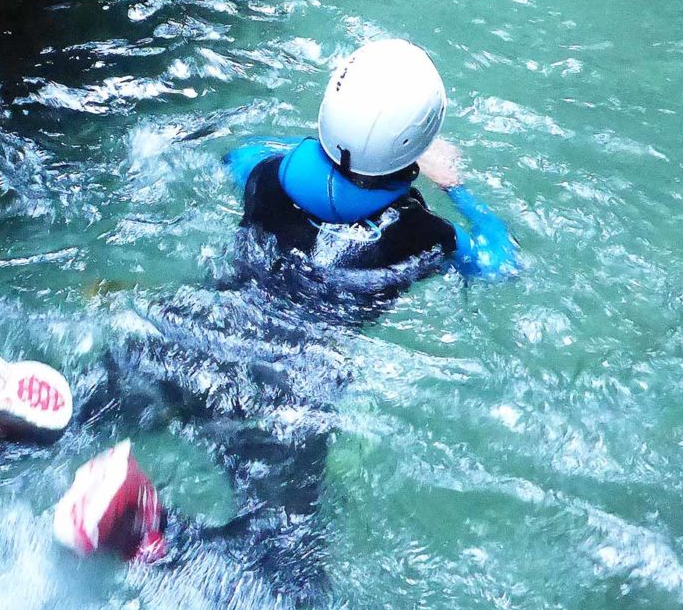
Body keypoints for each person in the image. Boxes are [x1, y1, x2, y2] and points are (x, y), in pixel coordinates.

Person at [52, 38, 518, 577]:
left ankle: (9, 433)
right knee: (287, 576)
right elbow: (498, 261)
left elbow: (238, 152)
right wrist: (456, 186)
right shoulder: (428, 236)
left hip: (195, 329)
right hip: (287, 386)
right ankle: (152, 533)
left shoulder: (264, 174)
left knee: (86, 417)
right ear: (414, 146)